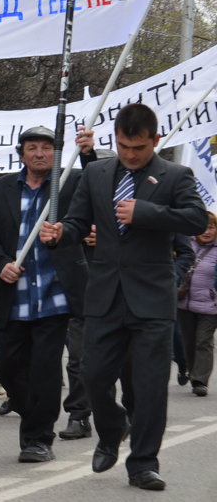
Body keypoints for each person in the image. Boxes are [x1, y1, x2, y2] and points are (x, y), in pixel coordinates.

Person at [40, 103, 207, 492]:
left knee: (150, 389)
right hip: (104, 297)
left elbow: (196, 219)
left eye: (139, 147)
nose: (130, 154)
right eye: (123, 146)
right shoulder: (97, 173)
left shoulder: (176, 176)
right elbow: (79, 220)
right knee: (94, 376)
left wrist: (146, 212)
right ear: (115, 139)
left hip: (152, 301)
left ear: (155, 140)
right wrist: (61, 232)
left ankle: (143, 464)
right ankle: (112, 428)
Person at [0, 126, 90, 463]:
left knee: (45, 370)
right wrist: (0, 263)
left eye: (47, 147)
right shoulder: (1, 189)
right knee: (9, 365)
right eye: (33, 147)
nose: (40, 153)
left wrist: (87, 152)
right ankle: (26, 408)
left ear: (56, 153)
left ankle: (37, 438)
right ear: (22, 153)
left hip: (53, 296)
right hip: (13, 296)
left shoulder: (68, 185)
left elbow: (98, 184)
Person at [177, 211, 217, 397]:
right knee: (189, 343)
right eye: (204, 227)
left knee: (203, 341)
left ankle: (200, 380)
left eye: (212, 227)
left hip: (211, 306)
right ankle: (191, 371)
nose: (207, 231)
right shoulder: (186, 245)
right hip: (184, 303)